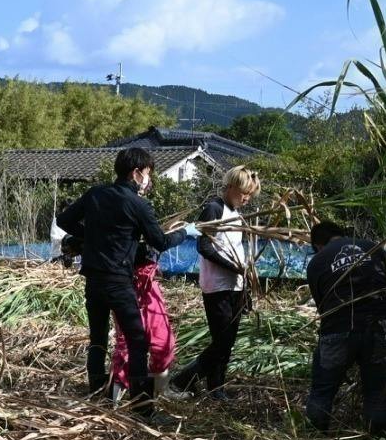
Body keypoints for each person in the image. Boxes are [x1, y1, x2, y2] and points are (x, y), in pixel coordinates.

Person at [54, 146, 193, 413]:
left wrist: (90, 236)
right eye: (148, 173)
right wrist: (185, 233)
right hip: (118, 281)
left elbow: (64, 220)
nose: (148, 179)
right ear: (137, 172)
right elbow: (160, 241)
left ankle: (97, 397)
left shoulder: (96, 194)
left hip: (93, 278)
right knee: (137, 341)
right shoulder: (138, 204)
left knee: (97, 338)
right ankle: (142, 408)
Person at [171, 166, 261, 399]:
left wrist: (245, 279)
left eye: (250, 194)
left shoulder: (237, 215)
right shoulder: (214, 209)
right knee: (221, 342)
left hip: (236, 286)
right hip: (217, 286)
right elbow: (205, 246)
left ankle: (216, 388)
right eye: (244, 193)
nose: (246, 198)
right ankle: (183, 379)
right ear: (231, 187)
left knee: (227, 342)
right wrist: (234, 267)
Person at [304, 219, 386, 436]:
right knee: (376, 391)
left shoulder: (317, 262)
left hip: (337, 330)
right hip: (379, 329)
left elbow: (322, 305)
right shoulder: (374, 248)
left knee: (323, 390)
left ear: (318, 244)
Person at [110, 243, 176, 398]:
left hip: (148, 285)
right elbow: (161, 240)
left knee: (163, 342)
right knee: (126, 346)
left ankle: (158, 394)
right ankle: (112, 403)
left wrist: (180, 233)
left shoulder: (142, 222)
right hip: (124, 284)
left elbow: (159, 239)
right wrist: (183, 232)